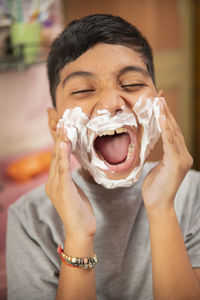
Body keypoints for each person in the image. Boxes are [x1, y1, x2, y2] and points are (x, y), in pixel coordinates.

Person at [6, 14, 200, 300]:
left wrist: (162, 209)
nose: (111, 104)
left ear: (160, 107)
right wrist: (78, 235)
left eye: (132, 84)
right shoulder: (29, 220)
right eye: (84, 89)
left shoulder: (193, 193)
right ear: (54, 124)